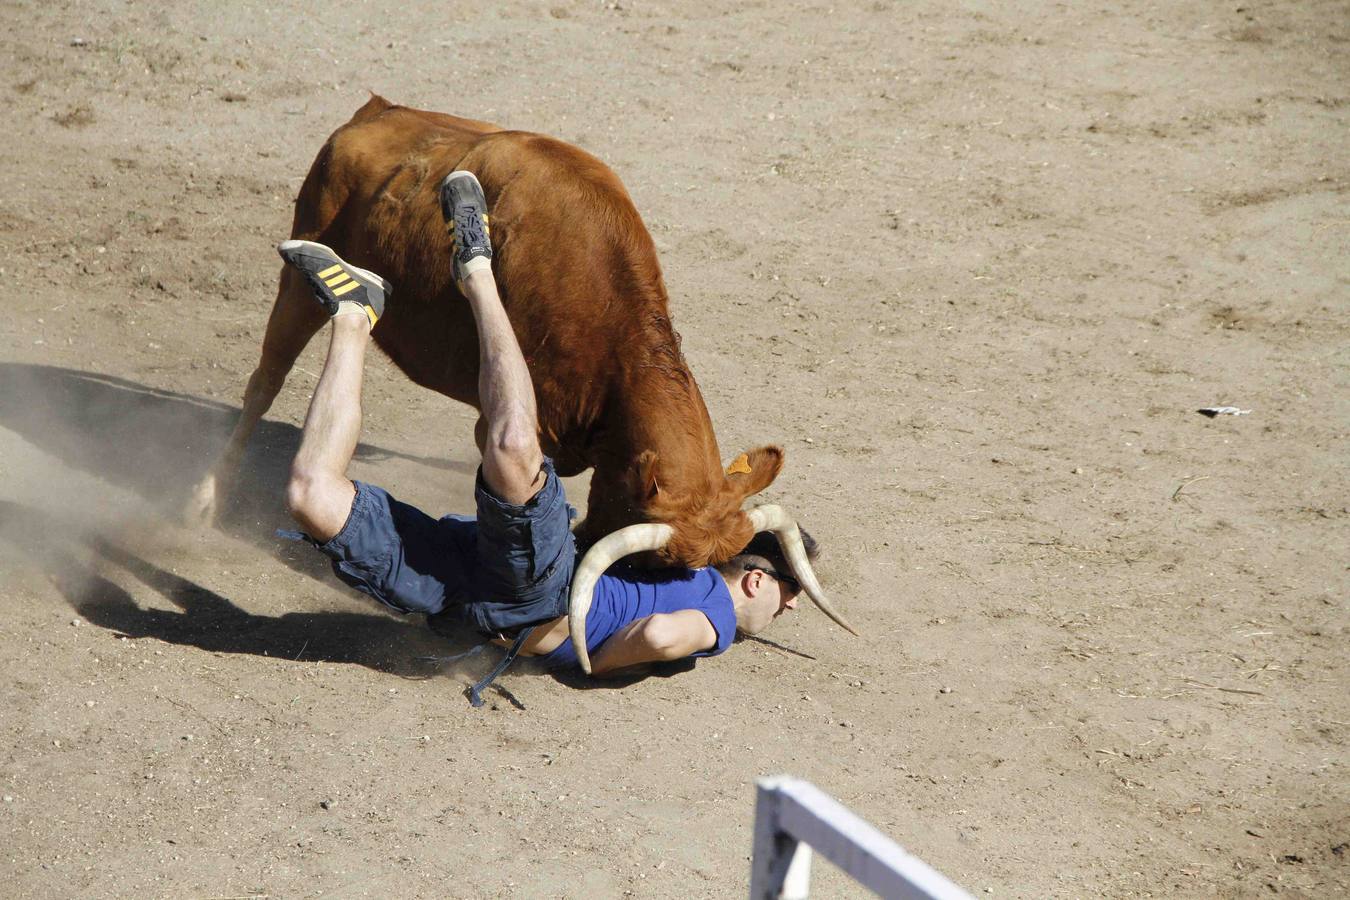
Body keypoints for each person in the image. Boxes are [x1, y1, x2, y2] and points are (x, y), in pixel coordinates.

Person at [277, 171, 816, 702]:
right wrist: (598, 663)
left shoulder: (679, 568)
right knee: (513, 447)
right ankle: (477, 273)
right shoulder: (714, 618)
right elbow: (659, 636)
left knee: (309, 495)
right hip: (541, 586)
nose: (791, 607)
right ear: (755, 580)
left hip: (466, 596)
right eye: (791, 593)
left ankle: (354, 313)